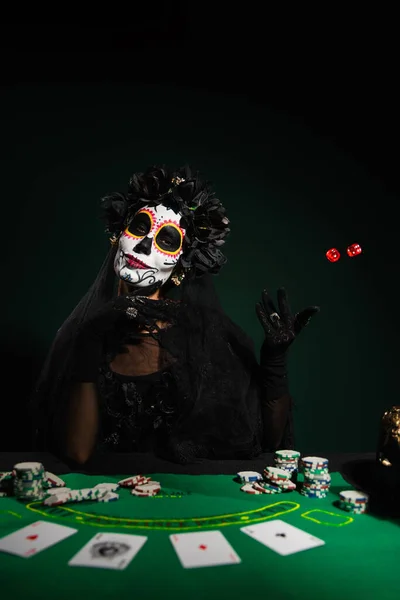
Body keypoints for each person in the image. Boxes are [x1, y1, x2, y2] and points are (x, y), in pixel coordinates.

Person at [30, 164, 319, 465]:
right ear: (119, 234)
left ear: (181, 267)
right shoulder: (86, 332)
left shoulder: (205, 335)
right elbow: (77, 453)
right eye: (140, 227)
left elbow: (268, 441)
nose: (143, 245)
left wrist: (274, 362)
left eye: (167, 241)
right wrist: (91, 338)